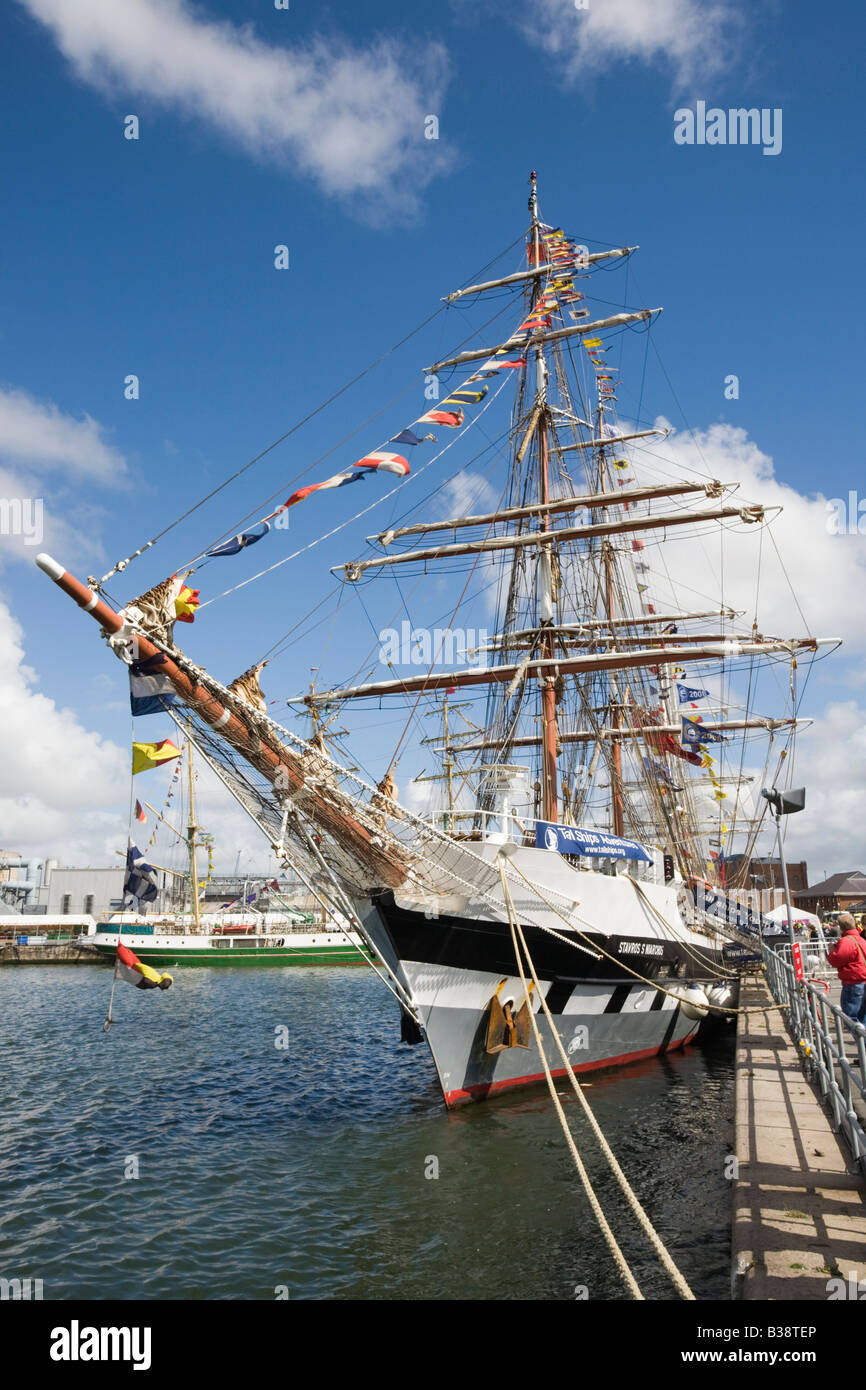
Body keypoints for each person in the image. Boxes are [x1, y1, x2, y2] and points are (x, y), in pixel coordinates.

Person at [827, 913, 866, 1024]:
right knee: (862, 1017)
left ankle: (862, 1041)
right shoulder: (861, 940)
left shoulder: (846, 941)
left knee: (851, 1020)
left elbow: (835, 960)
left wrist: (831, 951)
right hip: (862, 980)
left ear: (841, 927)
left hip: (853, 982)